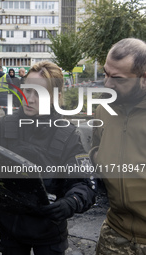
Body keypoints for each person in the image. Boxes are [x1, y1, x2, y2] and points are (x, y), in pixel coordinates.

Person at [0, 61, 97, 255]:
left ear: (55, 97)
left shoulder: (67, 134)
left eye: (38, 93)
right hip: (10, 231)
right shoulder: (5, 125)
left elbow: (85, 183)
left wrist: (70, 202)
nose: (29, 99)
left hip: (49, 234)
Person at [90, 38, 146, 255]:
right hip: (114, 233)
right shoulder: (103, 110)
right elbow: (96, 150)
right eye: (105, 73)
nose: (107, 83)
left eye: (118, 78)